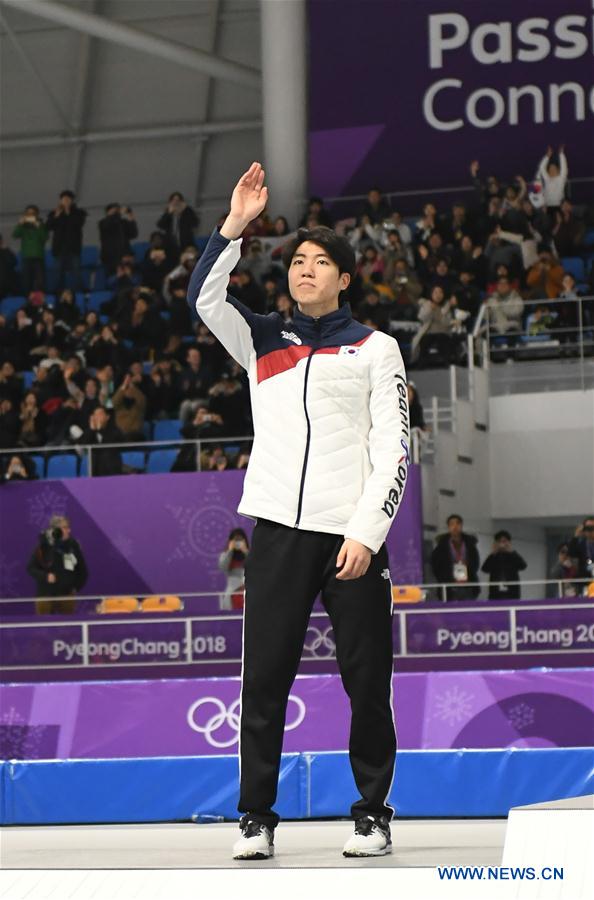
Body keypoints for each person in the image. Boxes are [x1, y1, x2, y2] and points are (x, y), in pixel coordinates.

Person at [187, 162, 410, 860]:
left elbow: (394, 449)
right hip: (279, 533)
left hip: (350, 539)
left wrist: (368, 534)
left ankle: (372, 814)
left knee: (367, 682)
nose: (305, 270)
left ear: (345, 277)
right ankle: (256, 816)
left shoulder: (377, 350)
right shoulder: (262, 342)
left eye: (320, 262)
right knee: (264, 680)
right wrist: (234, 225)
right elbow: (202, 299)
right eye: (297, 262)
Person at [27, 515, 88, 615]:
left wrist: (74, 588)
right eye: (64, 527)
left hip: (66, 596)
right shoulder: (44, 545)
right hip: (45, 596)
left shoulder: (73, 545)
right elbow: (30, 568)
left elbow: (83, 570)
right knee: (45, 628)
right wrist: (45, 576)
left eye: (68, 527)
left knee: (67, 628)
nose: (68, 530)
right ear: (55, 530)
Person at [46, 190, 87, 293]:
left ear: (72, 201)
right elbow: (48, 226)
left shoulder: (79, 213)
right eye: (63, 199)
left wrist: (68, 211)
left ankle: (79, 293)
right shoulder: (54, 213)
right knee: (57, 272)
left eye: (68, 199)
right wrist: (56, 215)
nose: (65, 201)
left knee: (76, 272)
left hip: (73, 248)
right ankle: (57, 293)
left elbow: (78, 224)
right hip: (59, 248)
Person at [431, 514, 480, 600]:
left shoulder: (469, 544)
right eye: (452, 524)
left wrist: (468, 569)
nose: (455, 527)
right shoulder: (441, 546)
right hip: (449, 586)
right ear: (448, 527)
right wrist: (445, 576)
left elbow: (476, 563)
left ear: (461, 526)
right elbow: (435, 566)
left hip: (468, 585)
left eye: (458, 524)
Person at [481, 531, 527, 600]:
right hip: (495, 593)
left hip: (512, 592)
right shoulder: (494, 556)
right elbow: (485, 569)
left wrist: (512, 552)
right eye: (499, 541)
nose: (502, 544)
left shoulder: (513, 555)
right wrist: (493, 553)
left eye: (504, 541)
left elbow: (523, 566)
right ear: (496, 543)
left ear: (509, 542)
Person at [12, 205, 48, 294]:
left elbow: (45, 237)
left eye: (33, 213)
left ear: (37, 215)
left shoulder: (41, 224)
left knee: (40, 281)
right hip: (26, 257)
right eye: (28, 213)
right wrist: (20, 224)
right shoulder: (23, 226)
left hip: (38, 257)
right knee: (26, 281)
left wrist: (38, 226)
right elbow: (14, 235)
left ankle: (40, 301)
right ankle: (25, 301)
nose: (30, 215)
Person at [98, 204, 138, 274]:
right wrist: (118, 214)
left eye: (117, 210)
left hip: (125, 255)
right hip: (111, 257)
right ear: (108, 212)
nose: (116, 212)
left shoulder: (123, 222)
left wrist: (131, 220)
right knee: (114, 277)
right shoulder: (103, 222)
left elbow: (133, 234)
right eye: (114, 210)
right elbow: (110, 224)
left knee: (129, 275)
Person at [218, 528, 249, 610]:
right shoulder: (225, 554)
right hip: (232, 593)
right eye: (235, 540)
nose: (238, 543)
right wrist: (230, 551)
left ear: (245, 540)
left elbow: (257, 568)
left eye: (240, 540)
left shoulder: (251, 554)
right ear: (231, 541)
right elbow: (222, 567)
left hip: (249, 593)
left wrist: (246, 551)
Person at [567, 517, 594, 585]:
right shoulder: (581, 544)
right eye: (588, 528)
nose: (590, 530)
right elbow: (571, 553)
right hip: (584, 580)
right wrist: (576, 536)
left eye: (592, 527)